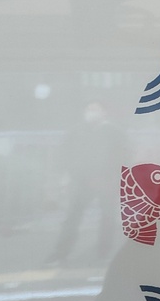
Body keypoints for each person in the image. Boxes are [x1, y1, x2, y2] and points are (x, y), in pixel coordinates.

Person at [47, 101, 128, 263]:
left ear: (104, 112)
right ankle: (61, 252)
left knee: (107, 217)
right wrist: (66, 173)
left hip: (106, 180)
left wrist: (115, 176)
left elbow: (124, 155)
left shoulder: (115, 132)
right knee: (73, 216)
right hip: (81, 181)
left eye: (95, 109)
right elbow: (65, 152)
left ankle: (103, 253)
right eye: (89, 109)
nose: (91, 113)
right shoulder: (77, 131)